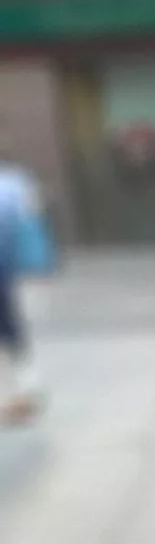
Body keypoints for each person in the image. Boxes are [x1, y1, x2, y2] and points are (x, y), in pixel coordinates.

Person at [0, 157, 38, 424]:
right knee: (11, 330)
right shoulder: (15, 181)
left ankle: (19, 396)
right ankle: (22, 393)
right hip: (5, 268)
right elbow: (31, 213)